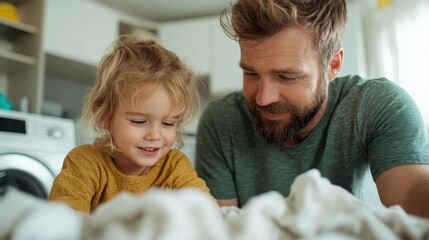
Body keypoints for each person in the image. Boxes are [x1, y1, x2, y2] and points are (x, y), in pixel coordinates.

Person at [195, 0, 429, 218]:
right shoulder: (220, 122)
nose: (263, 98)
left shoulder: (378, 106)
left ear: (333, 65)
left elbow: (412, 195)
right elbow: (219, 229)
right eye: (251, 73)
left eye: (287, 76)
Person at [49, 34, 213, 213]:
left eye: (168, 123)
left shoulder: (174, 165)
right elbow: (62, 219)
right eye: (139, 121)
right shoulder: (85, 162)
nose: (155, 135)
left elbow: (206, 209)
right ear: (104, 115)